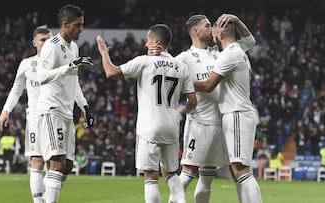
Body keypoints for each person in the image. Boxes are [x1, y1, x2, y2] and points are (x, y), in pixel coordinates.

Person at [149, 14, 256, 203]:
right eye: (207, 26)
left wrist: (237, 21)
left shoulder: (220, 53)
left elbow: (249, 41)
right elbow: (165, 71)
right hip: (200, 122)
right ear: (196, 31)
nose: (211, 28)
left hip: (222, 123)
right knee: (189, 171)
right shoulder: (185, 57)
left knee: (208, 176)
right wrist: (154, 53)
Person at [96, 24, 197, 203]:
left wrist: (104, 53)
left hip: (150, 126)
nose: (145, 44)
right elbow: (192, 101)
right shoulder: (181, 67)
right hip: (172, 127)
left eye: (148, 40)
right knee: (171, 174)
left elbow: (111, 72)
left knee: (151, 176)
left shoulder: (144, 61)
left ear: (156, 41)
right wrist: (181, 111)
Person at [193, 15, 263, 203]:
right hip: (236, 114)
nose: (211, 32)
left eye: (213, 28)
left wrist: (183, 83)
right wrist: (238, 21)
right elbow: (251, 40)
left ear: (220, 33)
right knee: (237, 171)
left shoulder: (229, 54)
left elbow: (208, 85)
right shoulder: (237, 49)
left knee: (242, 170)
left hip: (236, 114)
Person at [36, 4, 94, 203]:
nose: (81, 29)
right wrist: (68, 66)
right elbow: (41, 76)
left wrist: (84, 106)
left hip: (68, 112)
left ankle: (46, 199)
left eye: (82, 25)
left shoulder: (74, 47)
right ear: (65, 24)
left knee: (68, 165)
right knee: (57, 162)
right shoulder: (52, 45)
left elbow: (74, 80)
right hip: (52, 109)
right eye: (78, 25)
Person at [0, 25, 52, 203]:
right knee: (36, 161)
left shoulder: (59, 63)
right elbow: (16, 90)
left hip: (55, 117)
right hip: (35, 118)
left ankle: (50, 198)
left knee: (57, 164)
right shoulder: (27, 64)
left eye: (49, 39)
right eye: (43, 40)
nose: (46, 43)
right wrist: (6, 111)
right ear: (34, 42)